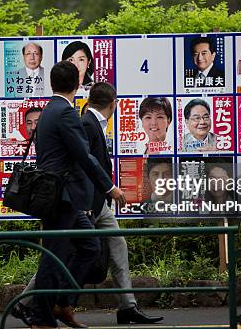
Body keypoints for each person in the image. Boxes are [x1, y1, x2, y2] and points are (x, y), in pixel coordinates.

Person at [13, 83, 161, 326]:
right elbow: (82, 162)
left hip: (97, 202)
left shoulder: (88, 121)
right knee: (63, 252)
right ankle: (26, 303)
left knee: (116, 245)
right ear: (114, 103)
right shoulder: (85, 123)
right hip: (86, 202)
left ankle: (127, 306)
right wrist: (99, 194)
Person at [28, 61, 126, 328]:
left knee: (90, 246)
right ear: (77, 85)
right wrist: (109, 187)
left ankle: (62, 304)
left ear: (52, 83)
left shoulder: (50, 110)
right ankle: (41, 317)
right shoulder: (66, 113)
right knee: (53, 255)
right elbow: (84, 155)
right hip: (62, 197)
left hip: (63, 197)